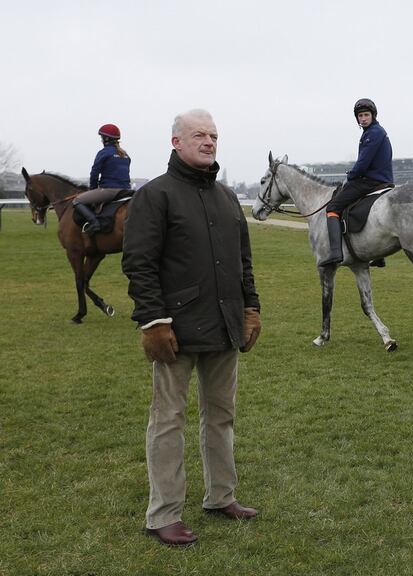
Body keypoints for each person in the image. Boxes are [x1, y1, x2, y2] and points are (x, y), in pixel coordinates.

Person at [121, 109, 262, 547]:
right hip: (175, 330)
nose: (209, 141)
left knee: (221, 416)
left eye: (214, 135)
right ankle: (162, 514)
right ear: (176, 142)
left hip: (223, 326)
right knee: (168, 420)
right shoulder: (155, 196)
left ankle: (222, 496)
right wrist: (154, 321)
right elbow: (138, 264)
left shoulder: (225, 197)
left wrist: (251, 307)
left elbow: (243, 262)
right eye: (199, 134)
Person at [323, 98, 394, 267]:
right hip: (381, 179)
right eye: (360, 116)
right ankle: (379, 255)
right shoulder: (372, 132)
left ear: (373, 116)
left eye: (366, 115)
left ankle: (335, 253)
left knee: (332, 208)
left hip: (371, 180)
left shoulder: (373, 133)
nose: (363, 118)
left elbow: (363, 163)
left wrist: (351, 175)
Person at [73, 123, 132, 234]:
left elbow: (94, 174)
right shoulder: (125, 155)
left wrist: (93, 190)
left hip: (110, 191)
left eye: (101, 138)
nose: (101, 140)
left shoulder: (104, 153)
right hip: (127, 190)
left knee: (77, 200)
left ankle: (94, 223)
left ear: (105, 139)